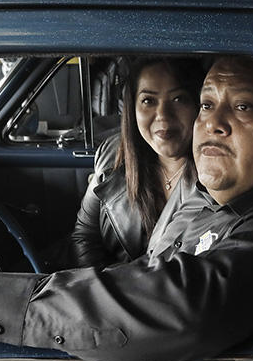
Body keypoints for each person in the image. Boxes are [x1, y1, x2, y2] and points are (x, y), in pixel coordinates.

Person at [0, 55, 253, 361]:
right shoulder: (196, 191)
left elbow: (186, 304)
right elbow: (124, 256)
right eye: (208, 105)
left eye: (242, 107)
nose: (212, 123)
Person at [71, 57, 201, 267]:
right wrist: (98, 287)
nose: (163, 117)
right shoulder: (112, 155)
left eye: (178, 99)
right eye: (148, 101)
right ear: (132, 108)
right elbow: (85, 234)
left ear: (198, 104)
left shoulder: (216, 172)